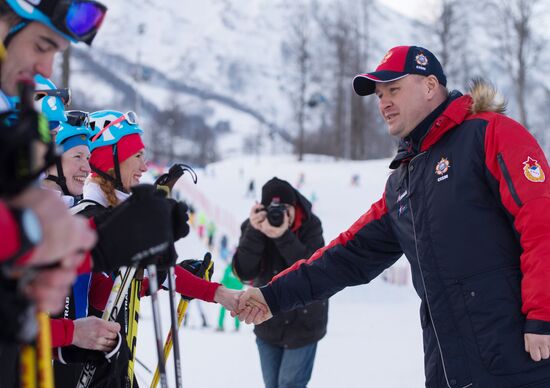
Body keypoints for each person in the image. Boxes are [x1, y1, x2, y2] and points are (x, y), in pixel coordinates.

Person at [235, 46, 550, 388]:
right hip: (450, 367)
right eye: (379, 95)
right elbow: (346, 255)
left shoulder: (489, 133)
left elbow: (541, 220)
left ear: (430, 86)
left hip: (524, 357)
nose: (383, 102)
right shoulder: (403, 182)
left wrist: (543, 315)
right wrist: (273, 296)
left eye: (394, 90)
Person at [53, 109, 241, 387]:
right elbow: (100, 295)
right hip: (84, 374)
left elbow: (132, 276)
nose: (144, 166)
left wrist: (215, 292)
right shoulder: (86, 218)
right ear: (110, 159)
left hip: (115, 370)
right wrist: (148, 269)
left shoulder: (108, 217)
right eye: (137, 156)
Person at [232, 177, 327, 388]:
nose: (280, 214)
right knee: (272, 384)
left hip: (304, 324)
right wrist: (256, 233)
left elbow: (314, 272)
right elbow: (244, 271)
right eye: (274, 209)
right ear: (263, 209)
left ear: (294, 206)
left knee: (290, 384)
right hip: (267, 324)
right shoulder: (253, 227)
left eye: (285, 208)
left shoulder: (311, 225)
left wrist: (283, 236)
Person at [217, 263, 244, 332]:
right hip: (235, 293)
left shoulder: (229, 268)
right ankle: (236, 326)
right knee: (236, 309)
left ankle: (221, 326)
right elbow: (242, 281)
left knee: (225, 309)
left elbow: (224, 280)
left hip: (228, 293)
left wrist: (221, 287)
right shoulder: (239, 269)